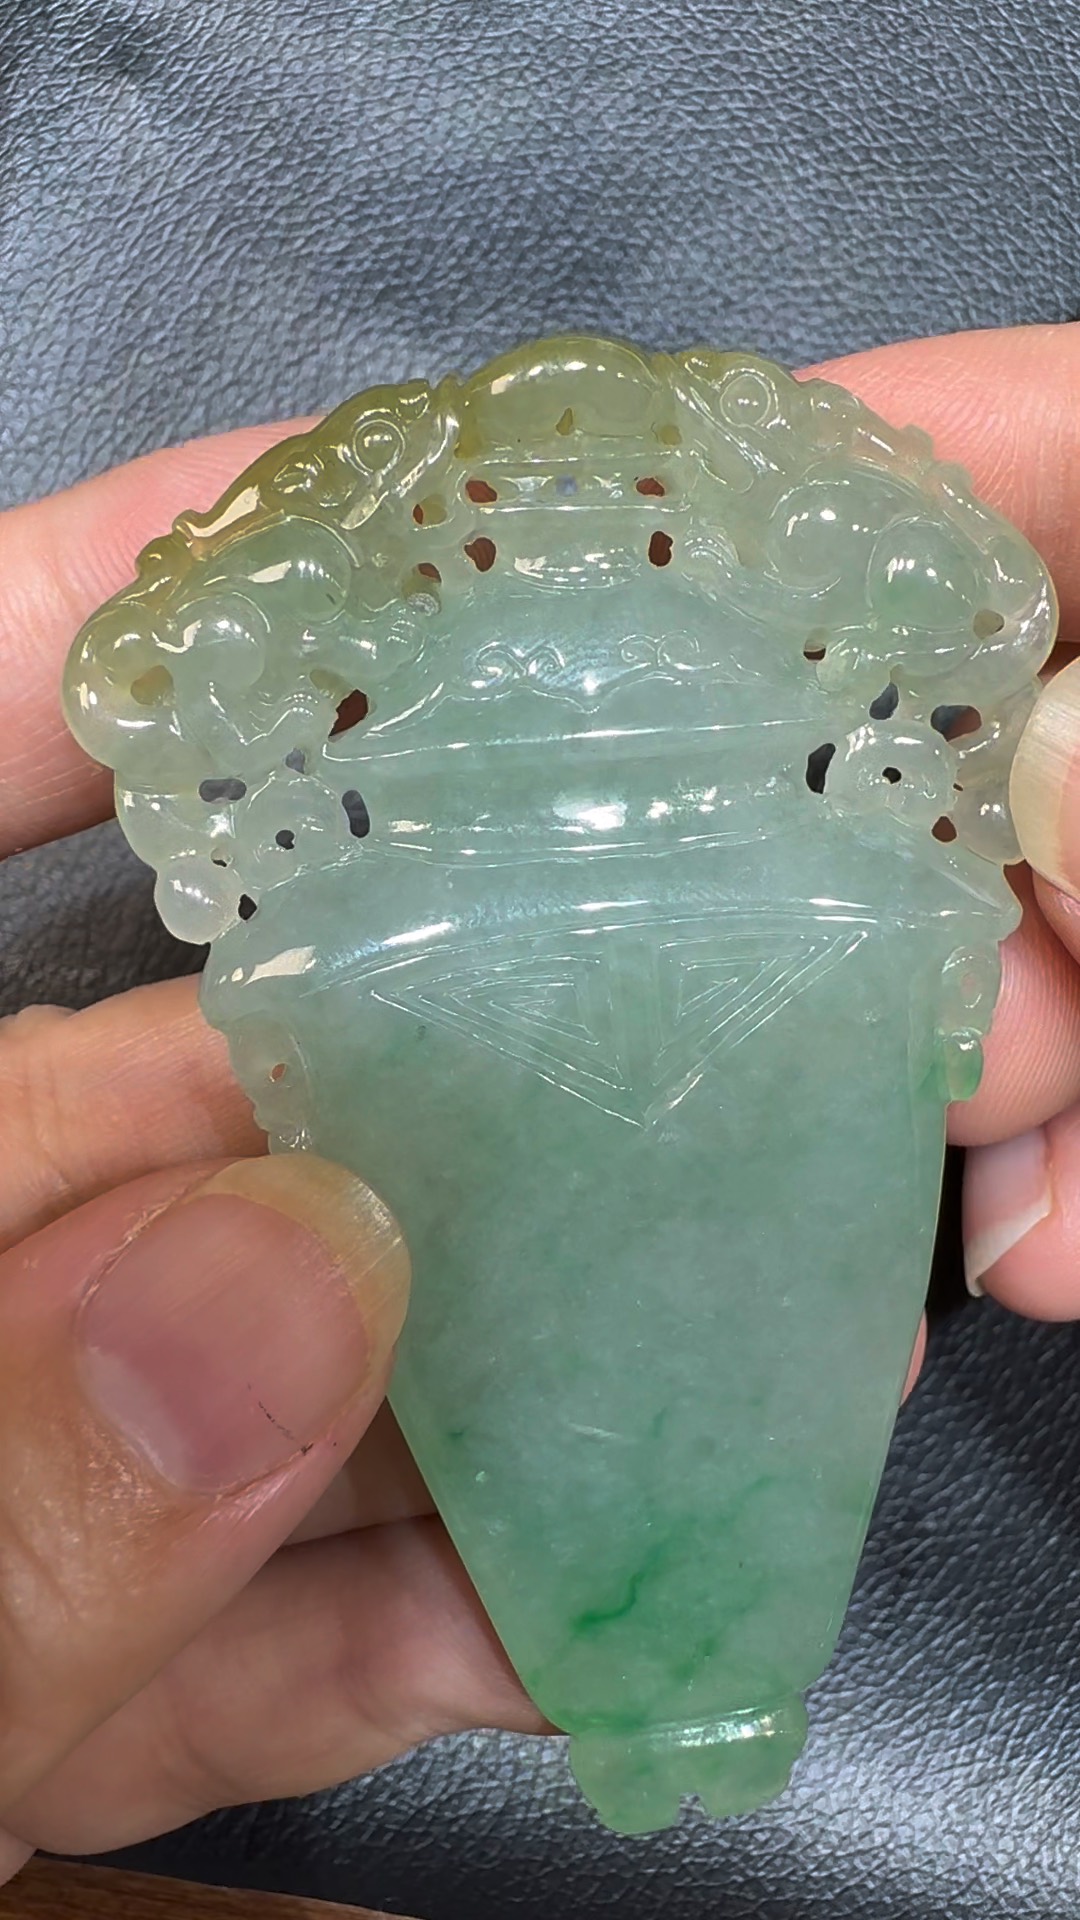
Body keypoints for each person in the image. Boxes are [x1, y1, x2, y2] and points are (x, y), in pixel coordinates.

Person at [0, 322, 1075, 1879]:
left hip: (700, 874)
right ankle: (656, 1685)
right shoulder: (376, 901)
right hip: (653, 882)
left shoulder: (367, 907)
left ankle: (686, 1679)